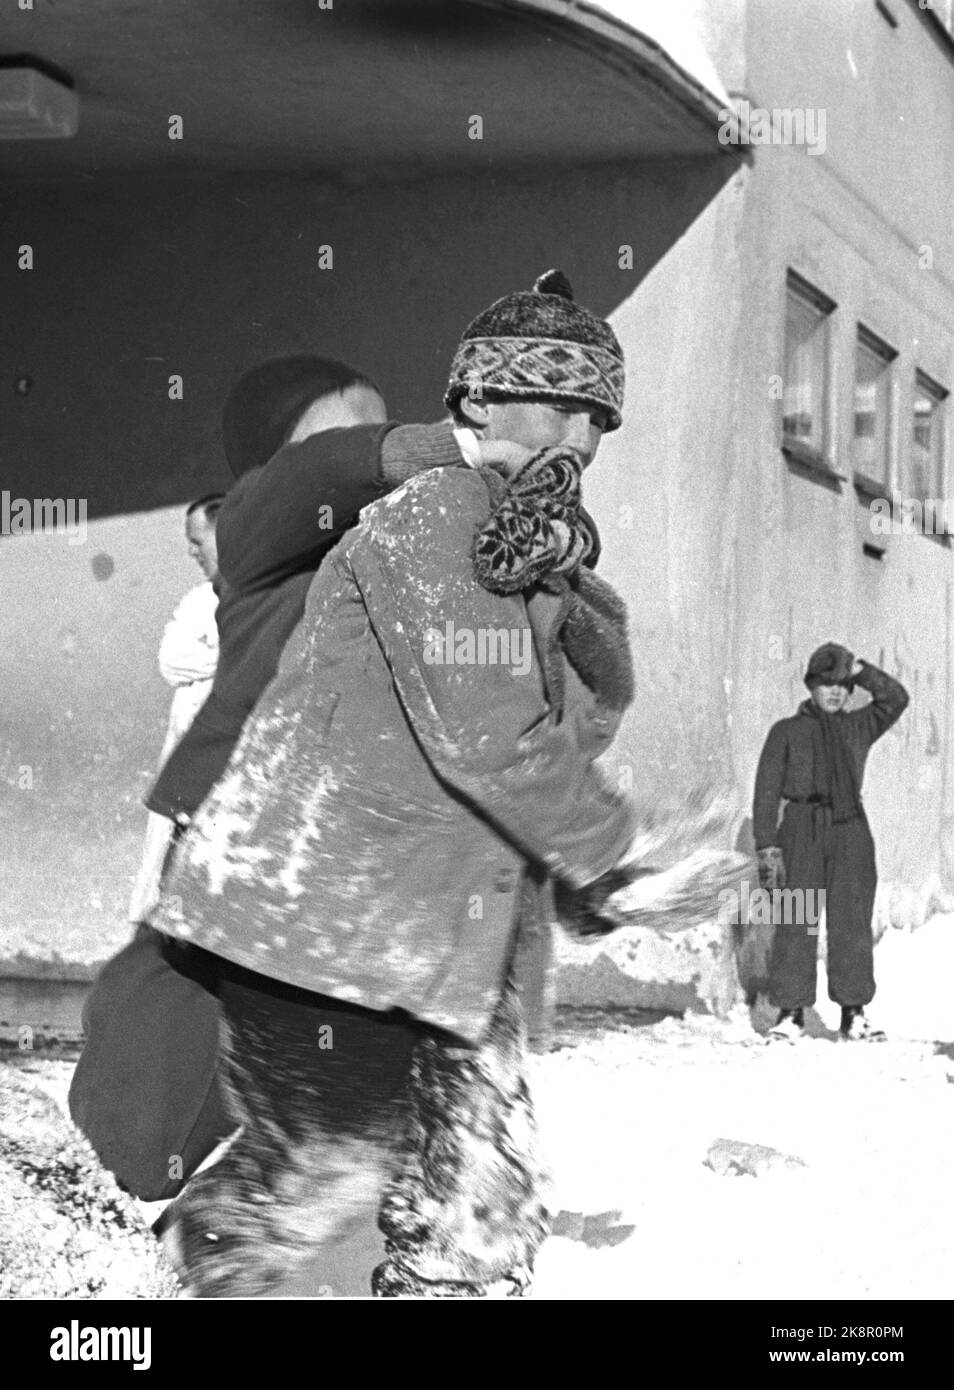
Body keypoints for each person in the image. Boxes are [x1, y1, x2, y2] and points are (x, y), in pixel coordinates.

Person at [150, 270, 726, 1299]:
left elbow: (561, 734)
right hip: (329, 924)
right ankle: (187, 1276)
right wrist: (621, 856)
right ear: (477, 403)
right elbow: (489, 735)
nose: (582, 440)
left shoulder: (533, 555)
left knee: (479, 1210)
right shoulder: (430, 515)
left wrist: (580, 611)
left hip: (453, 939)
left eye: (598, 416)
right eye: (556, 405)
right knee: (310, 1183)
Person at [70, 357, 464, 1204]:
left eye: (379, 424)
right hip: (233, 831)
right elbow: (333, 470)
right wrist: (464, 439)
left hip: (335, 851)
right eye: (350, 435)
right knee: (167, 1068)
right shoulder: (258, 531)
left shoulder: (380, 556)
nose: (371, 451)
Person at [752, 642, 909, 1043]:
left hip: (850, 830)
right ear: (811, 687)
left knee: (851, 920)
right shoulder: (786, 732)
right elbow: (767, 791)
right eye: (827, 685)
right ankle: (790, 1013)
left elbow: (896, 698)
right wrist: (767, 845)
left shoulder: (859, 725)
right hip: (802, 828)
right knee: (795, 919)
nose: (836, 692)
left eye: (843, 685)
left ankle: (854, 1013)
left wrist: (860, 671)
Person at [127, 495, 223, 926]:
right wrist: (227, 654)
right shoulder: (198, 601)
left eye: (197, 541)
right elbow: (171, 660)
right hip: (183, 769)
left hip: (225, 775)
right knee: (163, 883)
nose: (191, 552)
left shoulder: (263, 597)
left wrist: (218, 653)